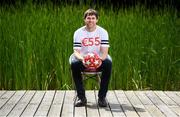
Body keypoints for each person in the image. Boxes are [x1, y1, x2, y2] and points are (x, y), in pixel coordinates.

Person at [70, 8, 112, 107]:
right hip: (83, 60)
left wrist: (98, 61)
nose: (91, 20)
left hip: (99, 60)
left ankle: (102, 98)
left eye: (93, 18)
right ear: (84, 19)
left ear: (97, 19)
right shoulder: (78, 32)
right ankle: (82, 98)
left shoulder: (103, 32)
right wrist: (83, 59)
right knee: (74, 64)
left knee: (108, 64)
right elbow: (76, 52)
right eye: (88, 18)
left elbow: (105, 52)